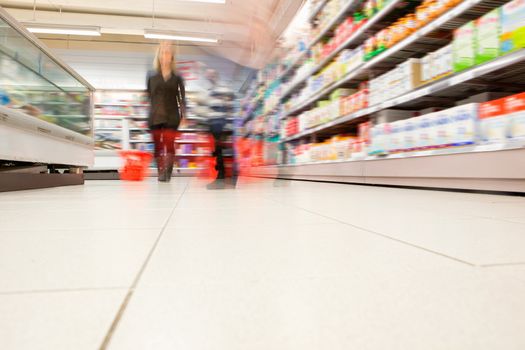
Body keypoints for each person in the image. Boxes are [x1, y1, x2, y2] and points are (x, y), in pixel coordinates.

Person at [146, 41, 186, 182]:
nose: (165, 56)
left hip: (172, 116)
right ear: (159, 56)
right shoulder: (151, 76)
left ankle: (167, 173)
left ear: (172, 57)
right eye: (163, 53)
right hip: (155, 116)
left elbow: (182, 98)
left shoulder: (177, 78)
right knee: (158, 145)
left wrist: (184, 115)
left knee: (169, 144)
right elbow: (149, 95)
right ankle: (160, 171)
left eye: (168, 53)